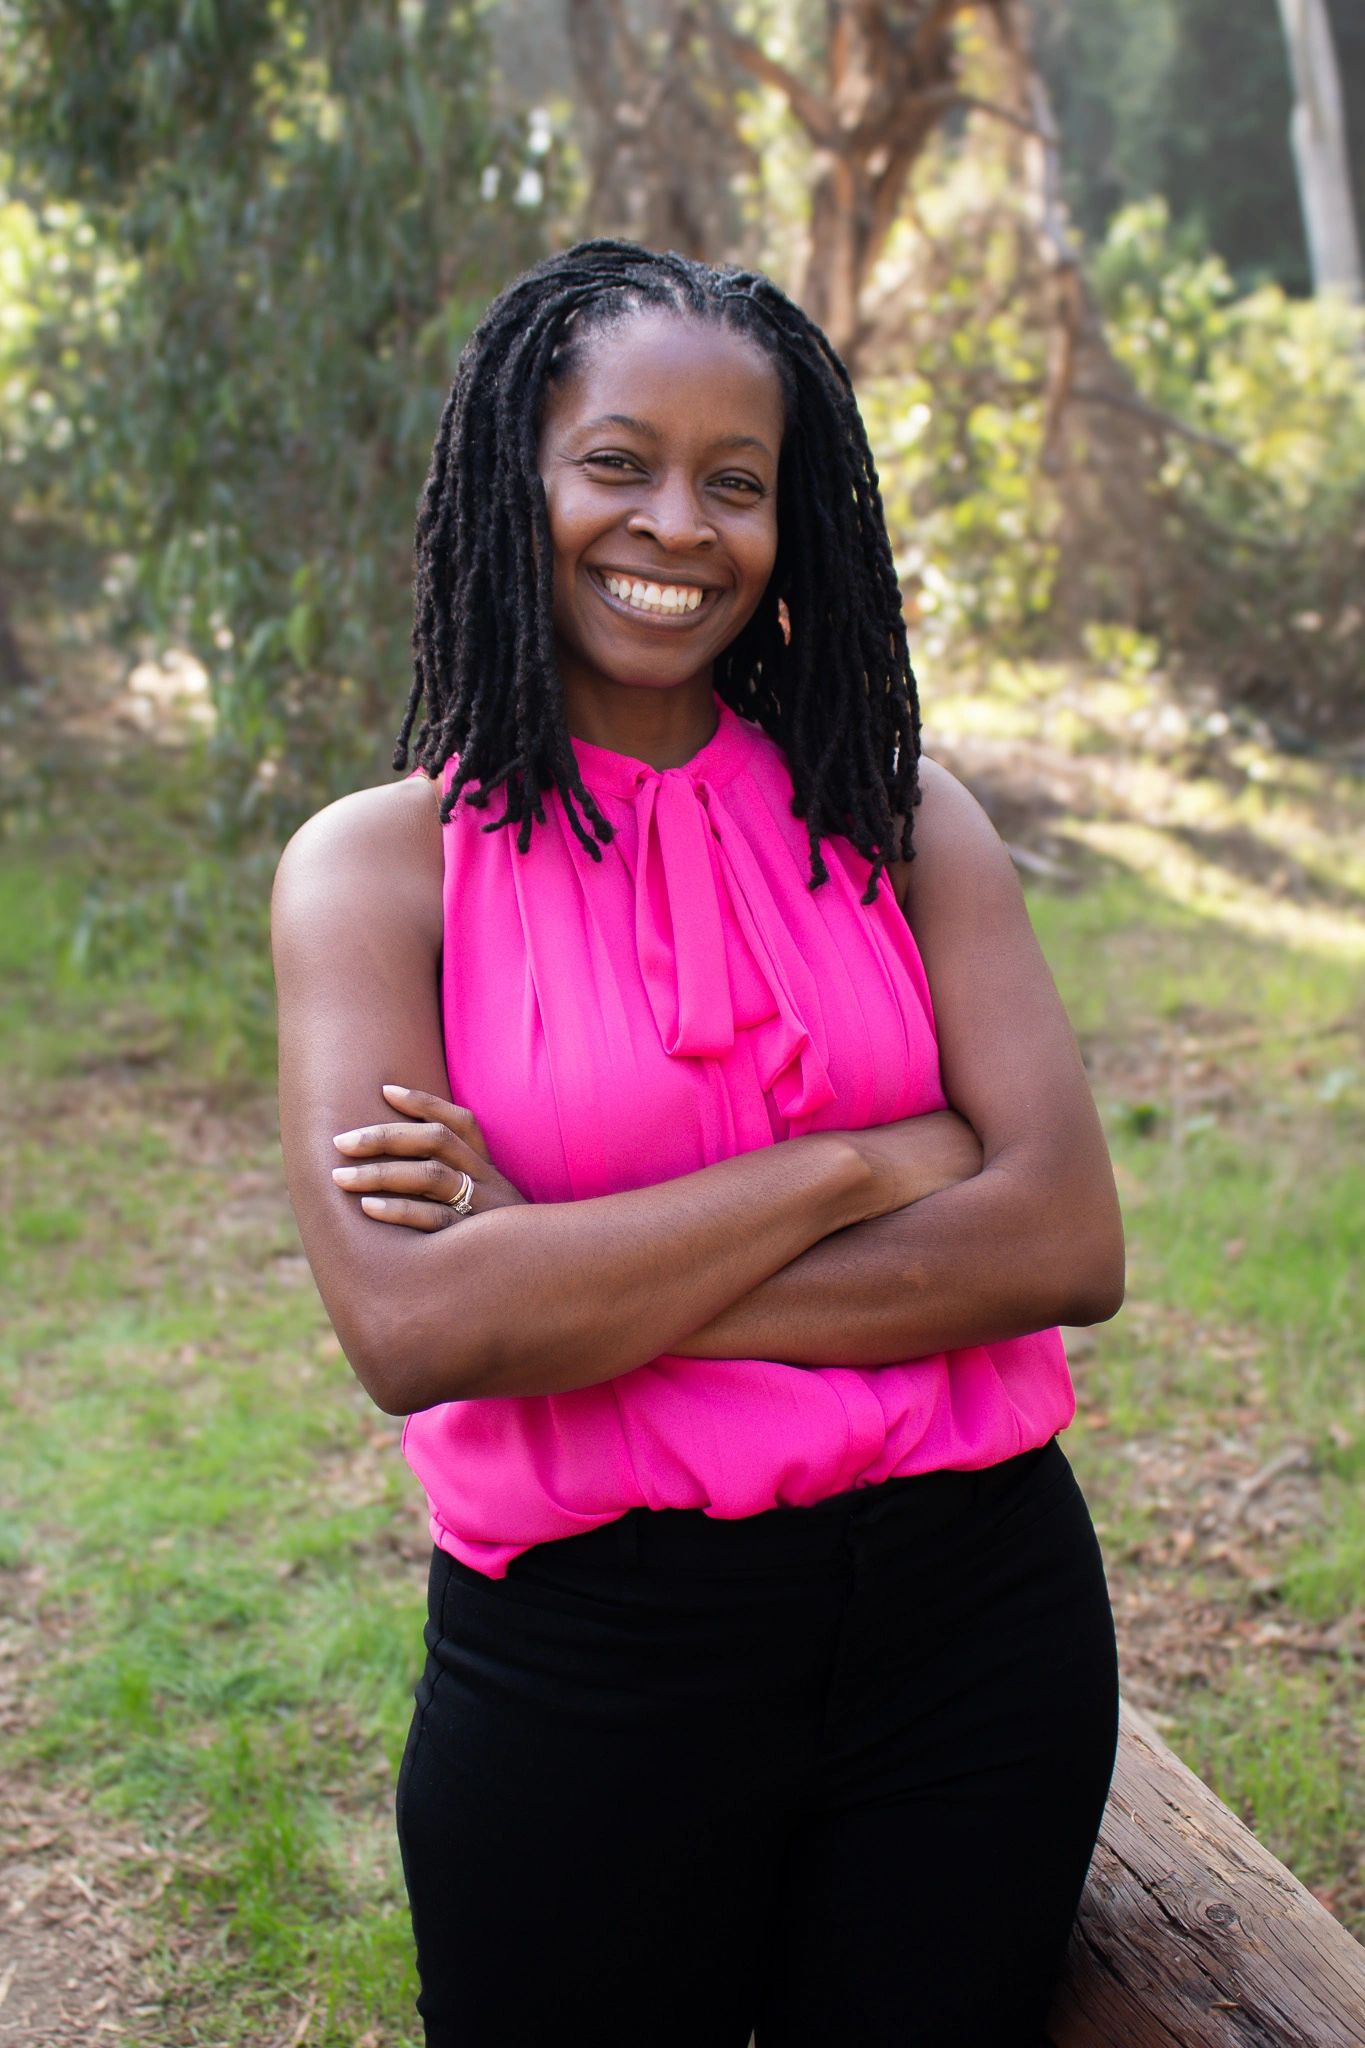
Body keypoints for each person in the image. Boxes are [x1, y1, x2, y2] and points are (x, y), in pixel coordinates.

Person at [271, 240, 1124, 2048]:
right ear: (520, 477)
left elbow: (1059, 1243)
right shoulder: (381, 869)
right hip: (594, 1661)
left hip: (976, 1631)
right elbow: (421, 1334)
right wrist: (862, 1163)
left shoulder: (897, 812)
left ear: (787, 522)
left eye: (734, 483)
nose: (675, 525)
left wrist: (567, 1262)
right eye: (615, 462)